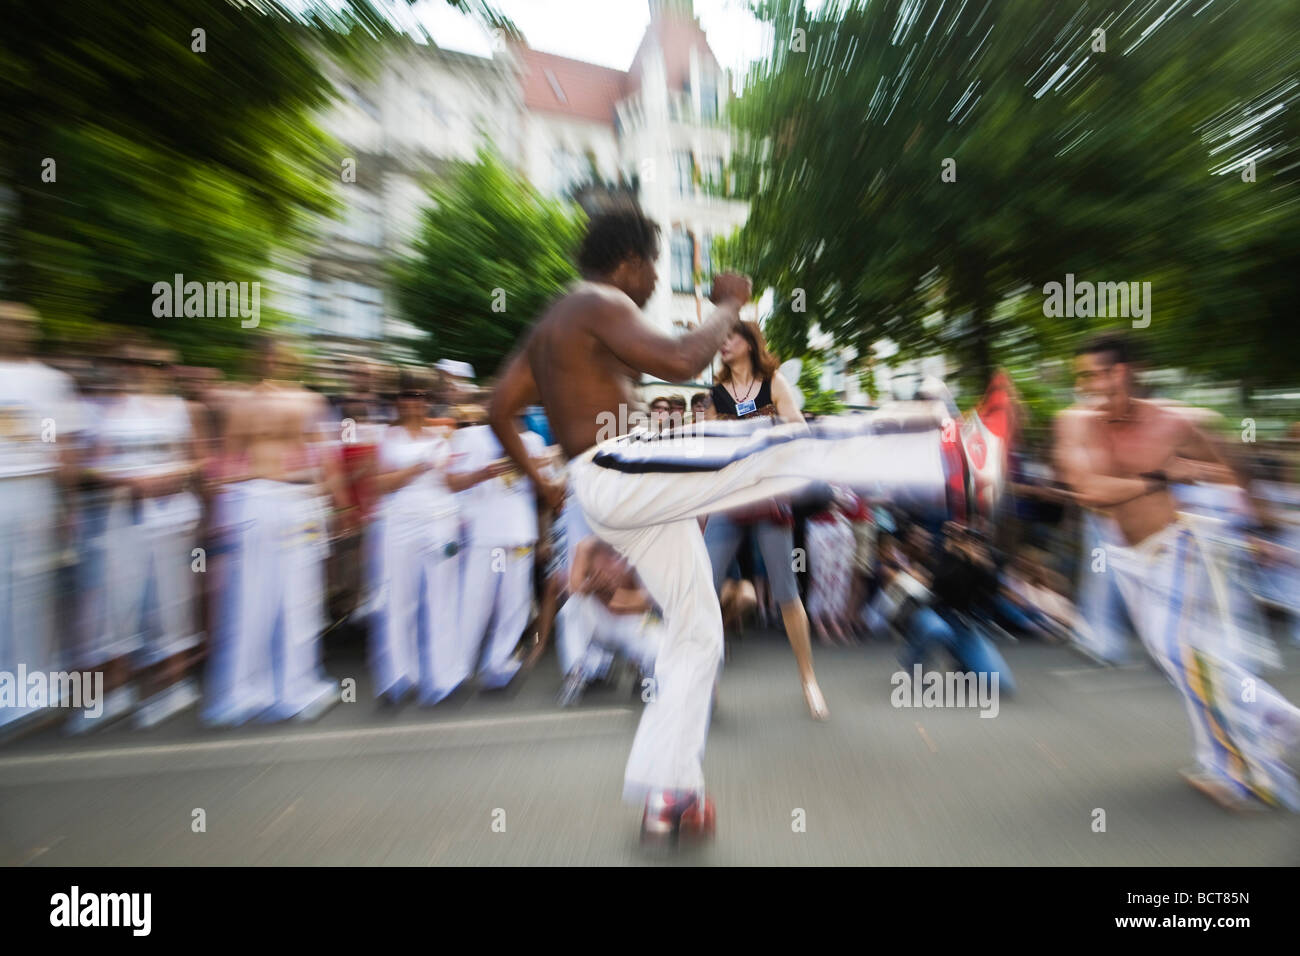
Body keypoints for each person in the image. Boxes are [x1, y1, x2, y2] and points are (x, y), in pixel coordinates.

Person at [485, 207, 950, 845]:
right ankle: (933, 451)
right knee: (765, 446)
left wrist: (542, 480)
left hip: (615, 490)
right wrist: (729, 305)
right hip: (621, 467)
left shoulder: (550, 324)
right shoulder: (597, 300)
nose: (652, 285)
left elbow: (496, 407)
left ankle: (670, 792)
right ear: (631, 262)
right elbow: (680, 360)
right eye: (653, 269)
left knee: (699, 631)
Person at [1054, 331, 1300, 810]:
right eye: (1082, 377)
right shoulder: (1077, 425)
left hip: (1183, 546)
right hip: (1128, 558)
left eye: (1097, 374)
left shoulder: (1178, 423)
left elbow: (1229, 469)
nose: (1089, 386)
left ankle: (1250, 775)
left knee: (1182, 650)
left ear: (1123, 372)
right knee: (1183, 660)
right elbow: (1089, 490)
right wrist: (1163, 476)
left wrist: (1259, 531)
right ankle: (1280, 726)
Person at [201, 340, 346, 726]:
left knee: (286, 599)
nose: (272, 360)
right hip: (259, 498)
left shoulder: (302, 402)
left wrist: (336, 503)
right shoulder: (246, 402)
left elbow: (323, 457)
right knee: (260, 599)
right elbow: (228, 460)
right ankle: (253, 691)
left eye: (277, 355)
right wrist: (223, 509)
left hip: (286, 499)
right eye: (268, 354)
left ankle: (280, 689)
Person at [705, 319, 829, 719]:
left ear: (748, 343)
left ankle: (809, 679)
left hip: (769, 496)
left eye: (731, 337)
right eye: (720, 339)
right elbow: (706, 447)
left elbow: (799, 429)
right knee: (703, 591)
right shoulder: (716, 394)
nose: (722, 344)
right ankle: (706, 681)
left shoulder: (774, 382)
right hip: (730, 500)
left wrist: (763, 427)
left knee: (786, 592)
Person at [367, 372, 508, 706]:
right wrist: (414, 469)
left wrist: (481, 474)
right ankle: (398, 677)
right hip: (400, 521)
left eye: (420, 396)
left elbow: (450, 483)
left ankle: (445, 677)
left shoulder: (442, 436)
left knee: (441, 597)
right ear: (398, 401)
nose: (414, 402)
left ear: (427, 401)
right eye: (407, 395)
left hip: (439, 521)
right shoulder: (387, 436)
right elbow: (380, 484)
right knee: (398, 597)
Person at [451, 413, 550, 691]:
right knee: (474, 603)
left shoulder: (533, 442)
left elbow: (542, 492)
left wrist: (537, 468)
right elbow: (454, 482)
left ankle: (499, 664)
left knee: (514, 605)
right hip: (485, 534)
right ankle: (458, 668)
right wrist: (483, 473)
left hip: (519, 534)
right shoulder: (471, 436)